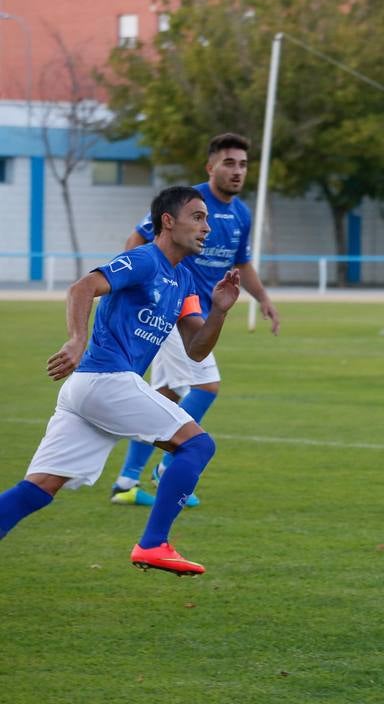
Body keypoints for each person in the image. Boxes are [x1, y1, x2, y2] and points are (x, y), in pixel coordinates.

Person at [0, 186, 241, 575]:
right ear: (168, 221)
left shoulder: (184, 283)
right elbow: (83, 287)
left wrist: (220, 313)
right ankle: (153, 544)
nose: (207, 228)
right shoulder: (145, 259)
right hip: (106, 380)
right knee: (197, 445)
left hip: (87, 391)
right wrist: (77, 340)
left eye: (207, 220)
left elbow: (196, 349)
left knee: (40, 487)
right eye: (197, 217)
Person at [109, 133, 279, 508]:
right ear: (211, 167)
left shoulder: (241, 214)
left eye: (243, 164)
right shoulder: (188, 202)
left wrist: (263, 298)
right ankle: (169, 466)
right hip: (174, 309)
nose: (237, 171)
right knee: (206, 385)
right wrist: (148, 287)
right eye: (229, 162)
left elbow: (242, 263)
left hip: (196, 315)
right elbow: (136, 239)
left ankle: (126, 481)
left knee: (166, 394)